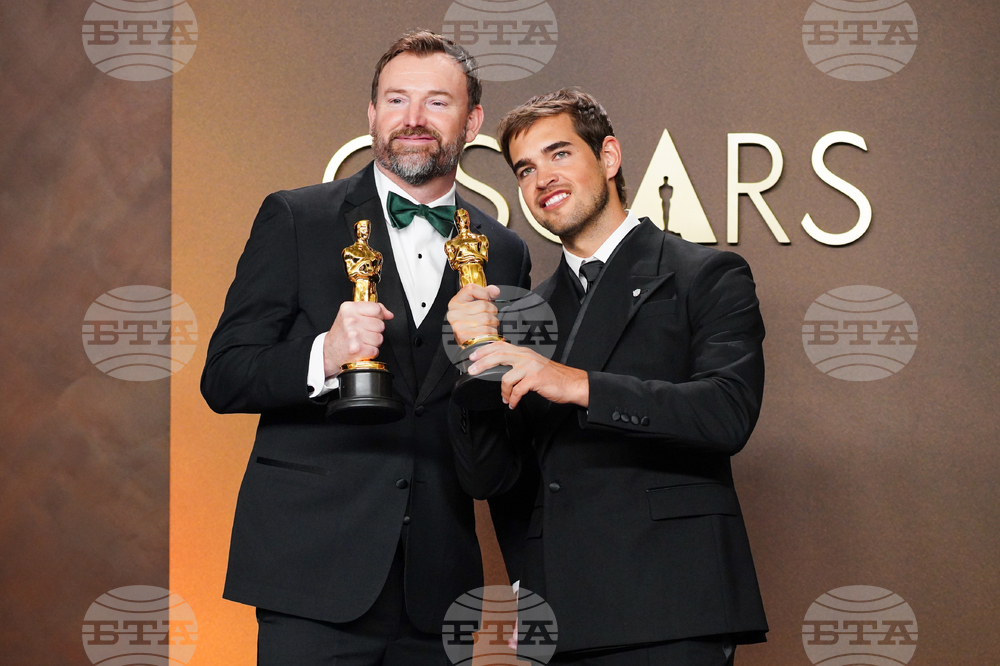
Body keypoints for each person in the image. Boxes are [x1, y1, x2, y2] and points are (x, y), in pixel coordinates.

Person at [201, 30, 531, 665]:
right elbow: (224, 375)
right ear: (372, 114)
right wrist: (323, 355)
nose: (413, 119)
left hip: (440, 586)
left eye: (437, 102)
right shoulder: (297, 217)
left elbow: (495, 426)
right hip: (312, 573)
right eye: (396, 99)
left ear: (473, 120)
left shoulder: (505, 250)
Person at [446, 89, 768, 665]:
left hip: (672, 604)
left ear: (610, 157)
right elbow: (488, 479)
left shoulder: (704, 273)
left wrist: (577, 384)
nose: (542, 178)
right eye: (526, 169)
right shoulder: (522, 317)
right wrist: (470, 364)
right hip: (556, 611)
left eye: (560, 154)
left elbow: (727, 412)